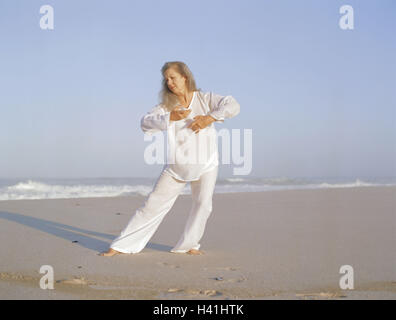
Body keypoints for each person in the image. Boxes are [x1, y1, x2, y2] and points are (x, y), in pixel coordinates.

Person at [100, 61, 240, 256]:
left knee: (203, 204)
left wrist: (209, 118)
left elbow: (232, 105)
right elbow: (145, 122)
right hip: (177, 165)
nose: (169, 82)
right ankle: (121, 245)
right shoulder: (166, 107)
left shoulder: (205, 99)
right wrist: (170, 118)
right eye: (166, 79)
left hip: (207, 162)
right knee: (152, 204)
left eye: (173, 77)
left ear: (185, 77)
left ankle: (189, 245)